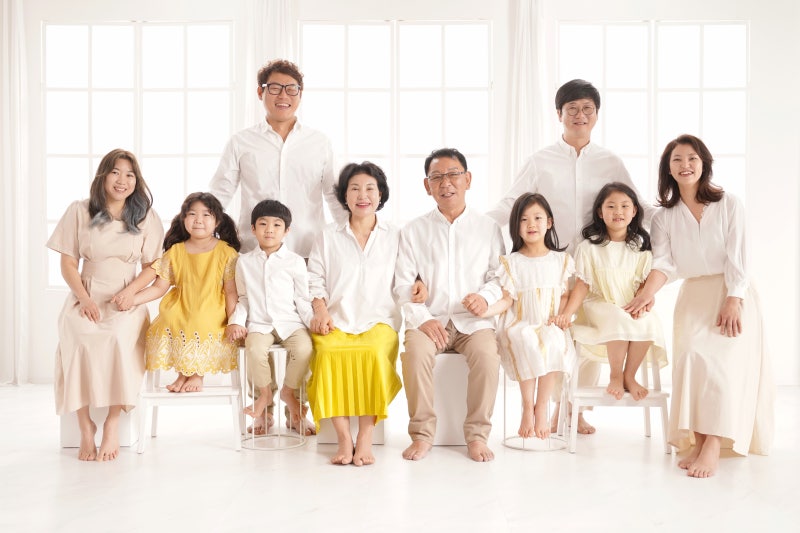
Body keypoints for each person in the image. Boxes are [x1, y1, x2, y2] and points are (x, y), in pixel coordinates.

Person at [486, 79, 653, 434]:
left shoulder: (610, 161)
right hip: (553, 264)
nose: (580, 115)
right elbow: (511, 203)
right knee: (556, 333)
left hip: (598, 262)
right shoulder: (540, 161)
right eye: (572, 109)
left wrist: (673, 216)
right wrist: (474, 225)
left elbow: (635, 204)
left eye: (587, 109)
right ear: (559, 114)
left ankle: (573, 410)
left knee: (589, 334)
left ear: (597, 115)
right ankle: (548, 409)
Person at [624, 135, 773, 478]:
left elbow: (738, 257)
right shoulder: (664, 217)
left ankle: (712, 445)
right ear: (668, 169)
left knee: (720, 366)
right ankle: (701, 439)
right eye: (677, 159)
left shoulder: (729, 203)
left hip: (731, 292)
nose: (685, 165)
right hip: (693, 296)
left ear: (704, 163)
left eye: (692, 158)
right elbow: (664, 264)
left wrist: (734, 298)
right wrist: (647, 294)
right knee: (692, 359)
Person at [47, 149, 164, 461]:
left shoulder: (146, 217)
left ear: (137, 181)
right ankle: (85, 425)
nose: (122, 180)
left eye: (130, 174)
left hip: (125, 297)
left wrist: (131, 293)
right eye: (115, 172)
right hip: (86, 293)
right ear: (103, 176)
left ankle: (112, 422)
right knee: (77, 336)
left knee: (117, 339)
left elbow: (153, 267)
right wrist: (84, 299)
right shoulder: (79, 210)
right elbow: (68, 264)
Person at [395, 148, 505, 463]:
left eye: (454, 174)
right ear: (426, 186)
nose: (446, 183)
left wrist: (484, 298)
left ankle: (477, 435)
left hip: (473, 322)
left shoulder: (488, 228)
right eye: (437, 177)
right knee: (414, 355)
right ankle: (422, 434)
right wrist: (423, 318)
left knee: (487, 358)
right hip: (430, 318)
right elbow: (402, 284)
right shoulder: (413, 230)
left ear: (468, 179)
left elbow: (498, 276)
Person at [306, 162, 404, 466]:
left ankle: (365, 436)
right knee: (327, 355)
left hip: (380, 321)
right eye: (355, 189)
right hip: (335, 321)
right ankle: (343, 438)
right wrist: (321, 311)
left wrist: (419, 286)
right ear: (344, 196)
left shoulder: (395, 235)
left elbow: (408, 276)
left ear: (380, 194)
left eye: (370, 189)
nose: (363, 195)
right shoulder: (328, 235)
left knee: (373, 355)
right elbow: (314, 279)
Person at [209, 58, 347, 256]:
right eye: (274, 88)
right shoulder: (241, 142)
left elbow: (334, 196)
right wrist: (201, 233)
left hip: (308, 251)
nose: (283, 95)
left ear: (300, 94)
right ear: (260, 92)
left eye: (291, 89)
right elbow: (220, 193)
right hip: (255, 252)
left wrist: (350, 239)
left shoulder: (320, 143)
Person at [552, 182, 667, 401]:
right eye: (611, 206)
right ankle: (615, 374)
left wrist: (643, 302)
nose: (618, 211)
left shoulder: (641, 249)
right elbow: (582, 285)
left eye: (625, 206)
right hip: (599, 304)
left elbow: (643, 286)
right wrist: (567, 313)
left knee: (650, 320)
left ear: (634, 211)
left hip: (629, 303)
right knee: (617, 317)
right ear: (600, 212)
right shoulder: (589, 247)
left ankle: (629, 375)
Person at [482, 193, 577, 439]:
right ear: (516, 226)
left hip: (550, 320)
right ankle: (527, 405)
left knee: (552, 339)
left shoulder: (561, 260)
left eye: (537, 218)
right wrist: (486, 310)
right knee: (525, 337)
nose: (531, 224)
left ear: (549, 222)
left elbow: (565, 295)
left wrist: (562, 316)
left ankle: (541, 406)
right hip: (520, 320)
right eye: (524, 220)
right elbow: (507, 299)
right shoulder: (511, 262)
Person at [128, 192, 241, 392]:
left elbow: (231, 292)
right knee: (170, 319)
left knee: (199, 319)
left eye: (206, 214)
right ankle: (183, 373)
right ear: (183, 219)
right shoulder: (176, 251)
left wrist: (234, 320)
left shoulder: (226, 252)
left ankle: (196, 374)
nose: (198, 219)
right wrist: (133, 299)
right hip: (181, 305)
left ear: (217, 221)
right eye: (192, 214)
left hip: (211, 306)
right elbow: (159, 287)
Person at [226, 200, 315, 437]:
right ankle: (264, 404)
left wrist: (312, 322)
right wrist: (236, 321)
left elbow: (302, 299)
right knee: (255, 350)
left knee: (305, 349)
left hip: (291, 322)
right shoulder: (244, 262)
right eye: (263, 224)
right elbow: (243, 298)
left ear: (287, 230)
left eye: (277, 225)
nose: (269, 229)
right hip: (259, 323)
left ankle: (292, 401)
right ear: (253, 228)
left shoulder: (295, 261)